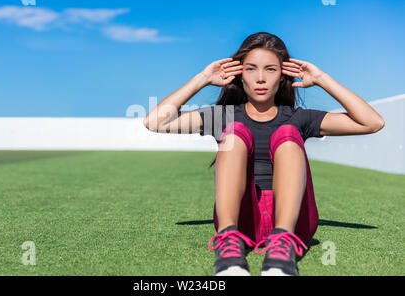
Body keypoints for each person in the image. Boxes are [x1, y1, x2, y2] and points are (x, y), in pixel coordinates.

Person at [143, 32, 385, 276]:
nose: (260, 78)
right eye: (251, 69)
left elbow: (372, 123)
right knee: (235, 131)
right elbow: (154, 122)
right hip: (242, 220)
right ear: (239, 74)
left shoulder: (298, 117)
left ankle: (282, 243)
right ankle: (228, 242)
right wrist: (202, 79)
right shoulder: (223, 116)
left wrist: (322, 79)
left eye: (270, 69)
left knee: (287, 133)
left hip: (294, 223)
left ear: (282, 76)